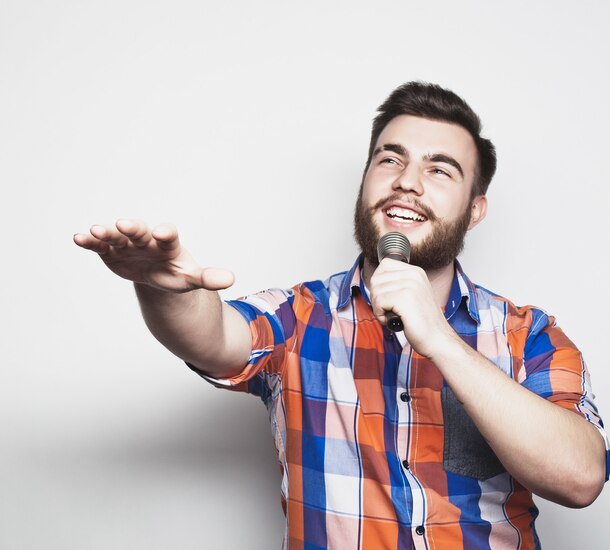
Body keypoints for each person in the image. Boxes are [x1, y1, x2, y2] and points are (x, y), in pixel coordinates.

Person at [74, 82, 609, 549]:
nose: (406, 181)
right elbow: (213, 337)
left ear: (475, 209)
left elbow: (582, 477)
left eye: (439, 170)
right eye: (389, 159)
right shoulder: (301, 316)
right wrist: (161, 288)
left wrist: (443, 341)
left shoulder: (528, 335)